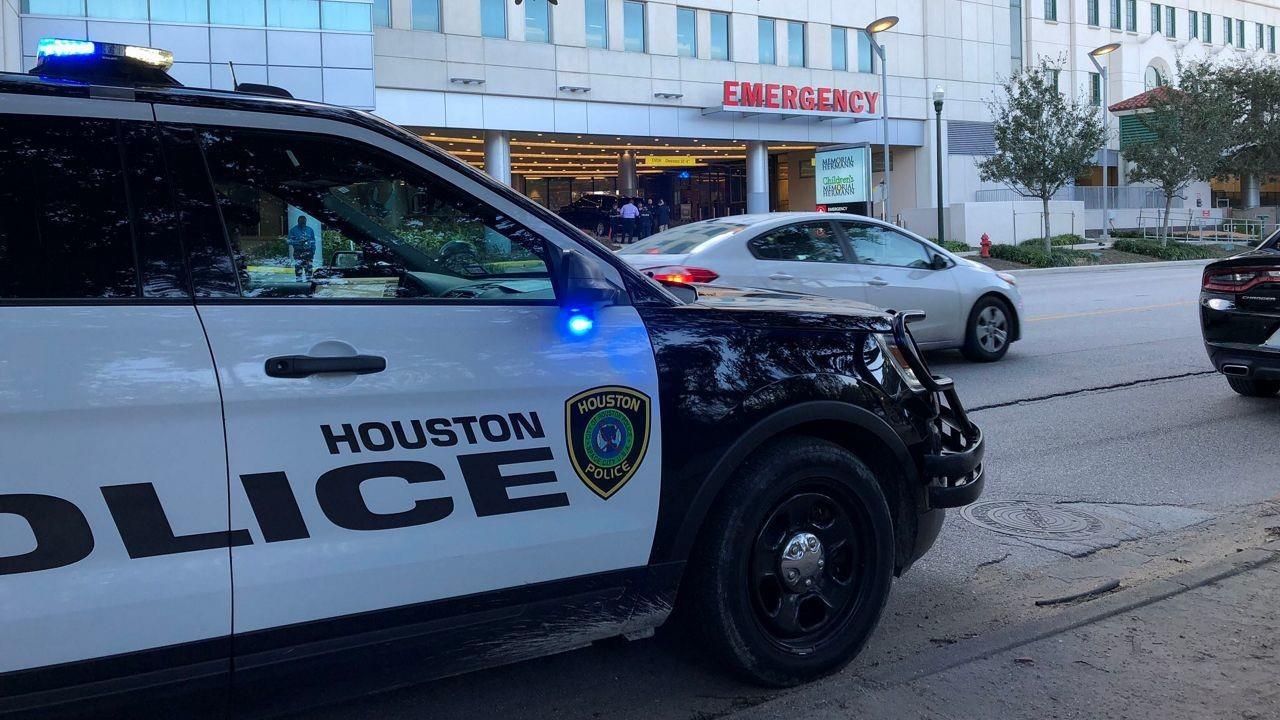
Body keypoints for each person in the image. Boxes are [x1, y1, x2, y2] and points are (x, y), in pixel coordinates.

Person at [286, 215, 317, 280]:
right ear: (298, 222)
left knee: (309, 272)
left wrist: (313, 252)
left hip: (308, 252)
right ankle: (299, 286)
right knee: (298, 272)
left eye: (304, 222)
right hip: (298, 252)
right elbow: (288, 241)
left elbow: (313, 242)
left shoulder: (310, 230)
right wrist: (298, 242)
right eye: (301, 222)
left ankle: (308, 286)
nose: (303, 224)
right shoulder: (293, 230)